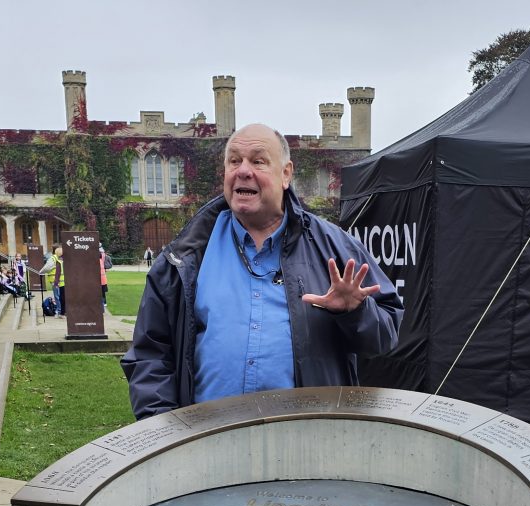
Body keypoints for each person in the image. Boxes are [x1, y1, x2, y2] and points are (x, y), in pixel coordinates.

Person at [122, 123, 402, 418]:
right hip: (208, 438)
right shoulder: (185, 255)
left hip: (308, 435)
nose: (243, 171)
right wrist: (163, 428)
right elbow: (150, 353)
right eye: (234, 161)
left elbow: (385, 337)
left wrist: (354, 313)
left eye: (258, 161)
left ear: (286, 174)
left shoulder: (333, 246)